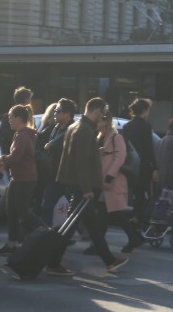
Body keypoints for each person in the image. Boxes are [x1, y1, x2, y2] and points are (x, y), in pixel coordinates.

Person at [48, 97, 127, 275]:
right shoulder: (84, 130)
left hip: (74, 183)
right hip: (82, 186)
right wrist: (87, 189)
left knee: (87, 226)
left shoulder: (75, 127)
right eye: (103, 113)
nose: (104, 117)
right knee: (71, 228)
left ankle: (109, 261)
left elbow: (74, 156)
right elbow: (81, 163)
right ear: (97, 110)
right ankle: (53, 262)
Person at [0, 104, 44, 254]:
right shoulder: (23, 134)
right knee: (12, 211)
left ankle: (47, 231)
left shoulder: (22, 135)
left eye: (10, 117)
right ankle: (12, 243)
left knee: (22, 211)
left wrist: (2, 158)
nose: (9, 120)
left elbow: (16, 157)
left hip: (24, 179)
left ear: (19, 118)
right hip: (19, 178)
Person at [97, 113, 146, 253]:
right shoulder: (103, 138)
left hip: (114, 181)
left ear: (105, 122)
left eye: (99, 121)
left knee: (110, 213)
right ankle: (133, 238)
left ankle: (99, 244)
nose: (96, 124)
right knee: (110, 213)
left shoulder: (116, 138)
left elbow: (119, 159)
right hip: (106, 182)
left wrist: (109, 177)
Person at [122, 97, 157, 231]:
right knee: (142, 196)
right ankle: (138, 220)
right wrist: (154, 167)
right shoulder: (146, 126)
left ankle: (133, 219)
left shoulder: (127, 126)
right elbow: (148, 149)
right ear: (144, 111)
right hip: (143, 166)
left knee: (133, 193)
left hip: (130, 165)